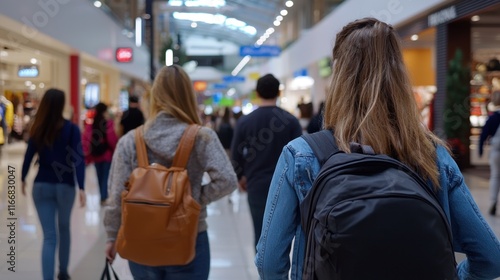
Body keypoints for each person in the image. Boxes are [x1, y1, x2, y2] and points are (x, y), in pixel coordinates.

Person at [255, 18, 500, 280]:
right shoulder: (430, 154)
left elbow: (269, 263)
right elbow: (490, 259)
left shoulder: (302, 154)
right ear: (399, 78)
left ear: (339, 81)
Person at [104, 65, 238, 279]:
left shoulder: (130, 140)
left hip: (140, 238)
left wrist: (112, 236)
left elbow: (117, 193)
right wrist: (192, 198)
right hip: (189, 237)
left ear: (155, 97)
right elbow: (228, 180)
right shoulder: (202, 137)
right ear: (188, 96)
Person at [231, 73, 303, 250]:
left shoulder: (245, 122)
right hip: (286, 186)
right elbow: (301, 156)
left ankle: (264, 272)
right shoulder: (291, 121)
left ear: (257, 93)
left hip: (255, 184)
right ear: (278, 93)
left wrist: (241, 176)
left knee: (260, 232)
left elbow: (236, 154)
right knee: (284, 235)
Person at [21, 88, 86, 280]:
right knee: (64, 228)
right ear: (62, 105)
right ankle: (63, 272)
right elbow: (78, 159)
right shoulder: (71, 129)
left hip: (41, 185)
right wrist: (81, 186)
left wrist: (22, 177)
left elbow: (28, 155)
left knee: (49, 237)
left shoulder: (38, 128)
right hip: (65, 186)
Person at [82, 102, 118, 205]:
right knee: (106, 176)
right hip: (106, 154)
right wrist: (115, 148)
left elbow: (86, 139)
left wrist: (87, 154)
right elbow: (112, 139)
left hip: (96, 154)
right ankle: (103, 197)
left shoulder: (91, 124)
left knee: (99, 176)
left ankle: (102, 195)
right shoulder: (108, 123)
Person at [479, 90, 500, 216]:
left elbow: (483, 134)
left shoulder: (493, 118)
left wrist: (480, 149)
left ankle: (493, 202)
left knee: (495, 176)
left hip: (496, 151)